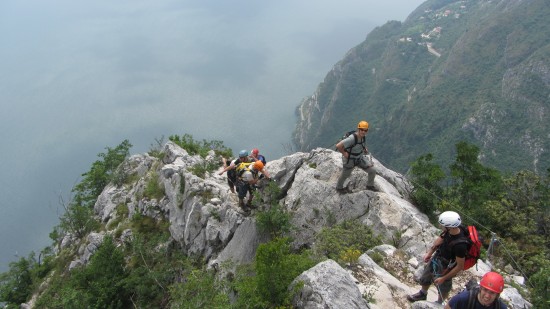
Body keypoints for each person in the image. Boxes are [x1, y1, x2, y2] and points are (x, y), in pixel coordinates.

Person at [407, 211, 468, 304]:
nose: (441, 226)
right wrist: (430, 252)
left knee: (444, 286)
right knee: (426, 275)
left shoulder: (460, 245)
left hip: (447, 265)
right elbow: (442, 237)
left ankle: (439, 303)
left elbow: (459, 266)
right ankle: (423, 293)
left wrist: (444, 278)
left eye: (443, 225)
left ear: (449, 226)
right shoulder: (451, 229)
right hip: (438, 256)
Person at [335, 120, 377, 193]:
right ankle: (339, 187)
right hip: (350, 159)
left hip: (359, 157)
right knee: (346, 174)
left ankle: (370, 186)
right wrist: (344, 153)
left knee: (372, 170)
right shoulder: (352, 138)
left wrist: (364, 148)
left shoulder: (363, 137)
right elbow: (338, 145)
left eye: (365, 130)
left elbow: (360, 144)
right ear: (358, 129)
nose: (363, 132)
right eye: (362, 130)